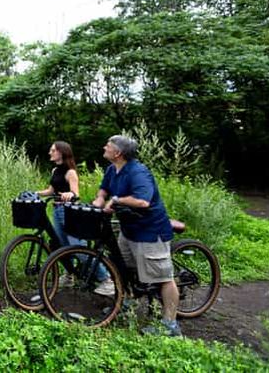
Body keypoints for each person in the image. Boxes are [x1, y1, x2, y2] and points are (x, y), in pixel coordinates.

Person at [92, 134, 181, 337]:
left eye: (108, 144)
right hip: (129, 230)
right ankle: (128, 303)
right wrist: (100, 199)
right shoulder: (112, 169)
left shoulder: (138, 172)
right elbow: (104, 189)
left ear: (118, 153)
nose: (104, 146)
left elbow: (143, 201)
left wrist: (115, 200)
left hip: (149, 231)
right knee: (124, 269)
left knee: (163, 278)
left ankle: (170, 325)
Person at [37, 141, 114, 295]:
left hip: (69, 213)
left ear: (61, 152)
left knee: (78, 248)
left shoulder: (70, 172)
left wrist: (69, 194)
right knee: (62, 247)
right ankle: (70, 275)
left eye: (53, 150)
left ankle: (107, 280)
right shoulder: (55, 170)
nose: (50, 153)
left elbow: (76, 193)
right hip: (57, 211)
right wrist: (35, 193)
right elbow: (51, 190)